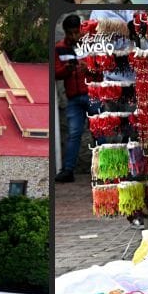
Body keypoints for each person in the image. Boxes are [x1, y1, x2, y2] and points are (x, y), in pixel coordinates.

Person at [54, 15, 89, 183]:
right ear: (65, 33)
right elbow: (56, 73)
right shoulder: (59, 48)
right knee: (74, 133)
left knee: (100, 132)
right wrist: (67, 69)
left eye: (77, 32)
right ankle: (68, 170)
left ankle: (105, 169)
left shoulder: (91, 44)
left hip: (93, 94)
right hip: (73, 98)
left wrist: (88, 67)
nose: (74, 37)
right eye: (70, 33)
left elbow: (104, 67)